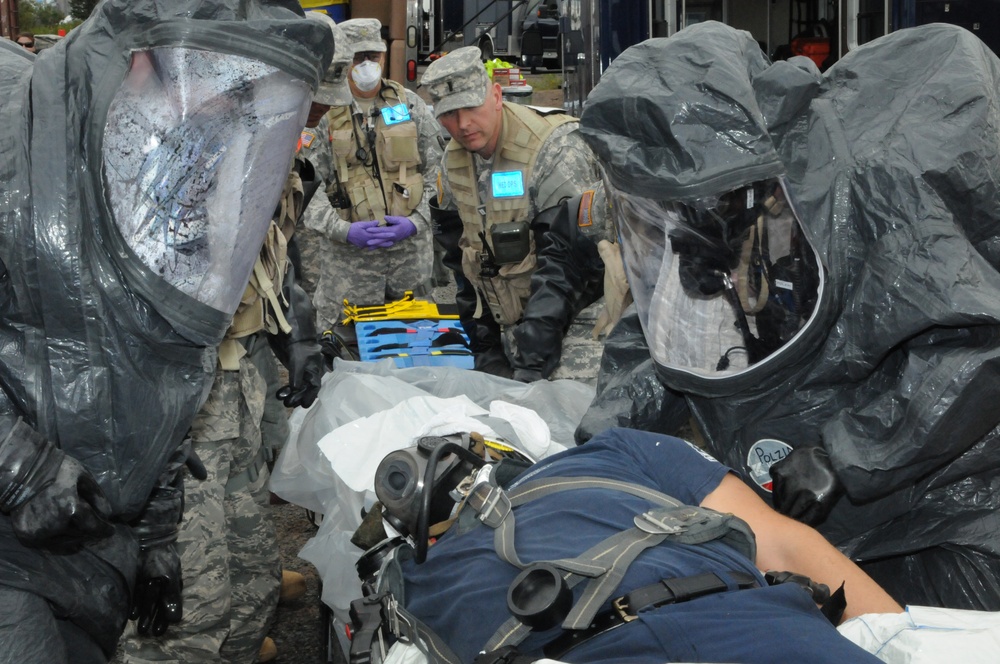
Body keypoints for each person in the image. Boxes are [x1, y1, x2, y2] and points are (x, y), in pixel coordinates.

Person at [577, 21, 1000, 611]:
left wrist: (847, 452)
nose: (684, 231)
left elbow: (974, 348)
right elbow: (656, 332)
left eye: (694, 206)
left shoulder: (874, 191)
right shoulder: (721, 215)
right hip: (803, 495)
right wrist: (610, 431)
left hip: (947, 502)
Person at [0, 1, 332, 662]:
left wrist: (156, 538)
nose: (231, 107)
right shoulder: (20, 144)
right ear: (149, 55)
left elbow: (165, 370)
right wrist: (16, 467)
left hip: (84, 531)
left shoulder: (165, 162)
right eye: (219, 77)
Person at [118, 11, 350, 664]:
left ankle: (242, 645)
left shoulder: (251, 128)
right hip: (172, 402)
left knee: (250, 573)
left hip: (237, 374)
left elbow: (269, 243)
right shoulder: (146, 137)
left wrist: (295, 333)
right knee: (188, 608)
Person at [396, 428, 902, 663]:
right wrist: (902, 637)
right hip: (746, 624)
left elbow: (783, 542)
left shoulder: (417, 578)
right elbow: (781, 543)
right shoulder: (621, 451)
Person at [420, 46, 609, 383]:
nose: (463, 124)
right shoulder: (453, 163)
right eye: (449, 114)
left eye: (471, 107)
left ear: (495, 95)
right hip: (515, 326)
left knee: (565, 418)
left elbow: (574, 264)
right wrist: (483, 345)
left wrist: (534, 355)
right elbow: (459, 260)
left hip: (581, 322)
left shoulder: (554, 150)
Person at [299, 17, 442, 330]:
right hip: (349, 274)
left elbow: (440, 174)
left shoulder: (410, 105)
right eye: (357, 57)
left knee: (413, 358)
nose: (366, 65)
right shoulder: (323, 112)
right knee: (346, 361)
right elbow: (305, 187)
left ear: (383, 56)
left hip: (409, 269)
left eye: (372, 57)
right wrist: (342, 230)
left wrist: (416, 223)